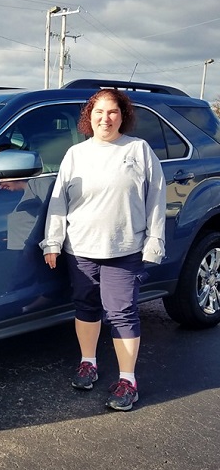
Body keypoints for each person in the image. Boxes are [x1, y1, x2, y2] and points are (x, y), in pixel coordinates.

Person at [39, 88, 166, 411]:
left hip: (124, 247)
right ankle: (88, 363)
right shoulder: (76, 154)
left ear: (123, 115)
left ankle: (128, 380)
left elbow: (156, 198)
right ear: (89, 116)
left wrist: (155, 241)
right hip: (80, 246)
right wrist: (52, 242)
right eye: (98, 112)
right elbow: (59, 202)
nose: (104, 118)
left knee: (122, 312)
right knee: (85, 305)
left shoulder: (138, 150)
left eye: (112, 112)